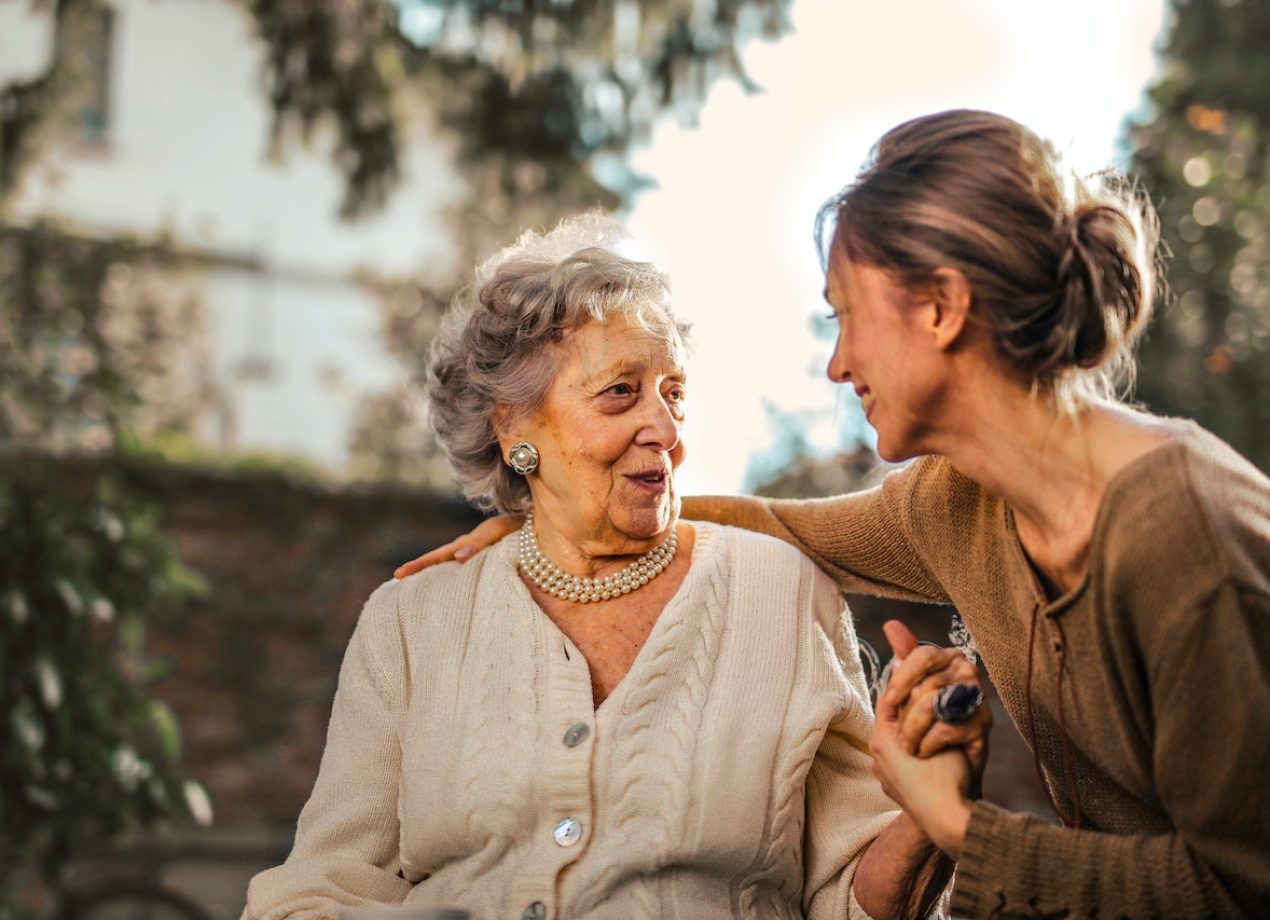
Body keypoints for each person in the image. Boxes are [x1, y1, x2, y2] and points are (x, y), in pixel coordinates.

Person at [396, 111, 1270, 917]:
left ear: (940, 307)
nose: (839, 364)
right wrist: (558, 514)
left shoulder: (1182, 538)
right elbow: (783, 527)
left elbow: (1241, 888)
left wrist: (962, 830)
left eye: (846, 317)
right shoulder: (961, 502)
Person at [245, 215, 965, 920]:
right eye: (621, 391)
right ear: (513, 425)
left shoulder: (782, 594)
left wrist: (929, 815)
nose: (666, 429)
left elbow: (854, 903)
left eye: (673, 393)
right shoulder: (411, 622)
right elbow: (321, 890)